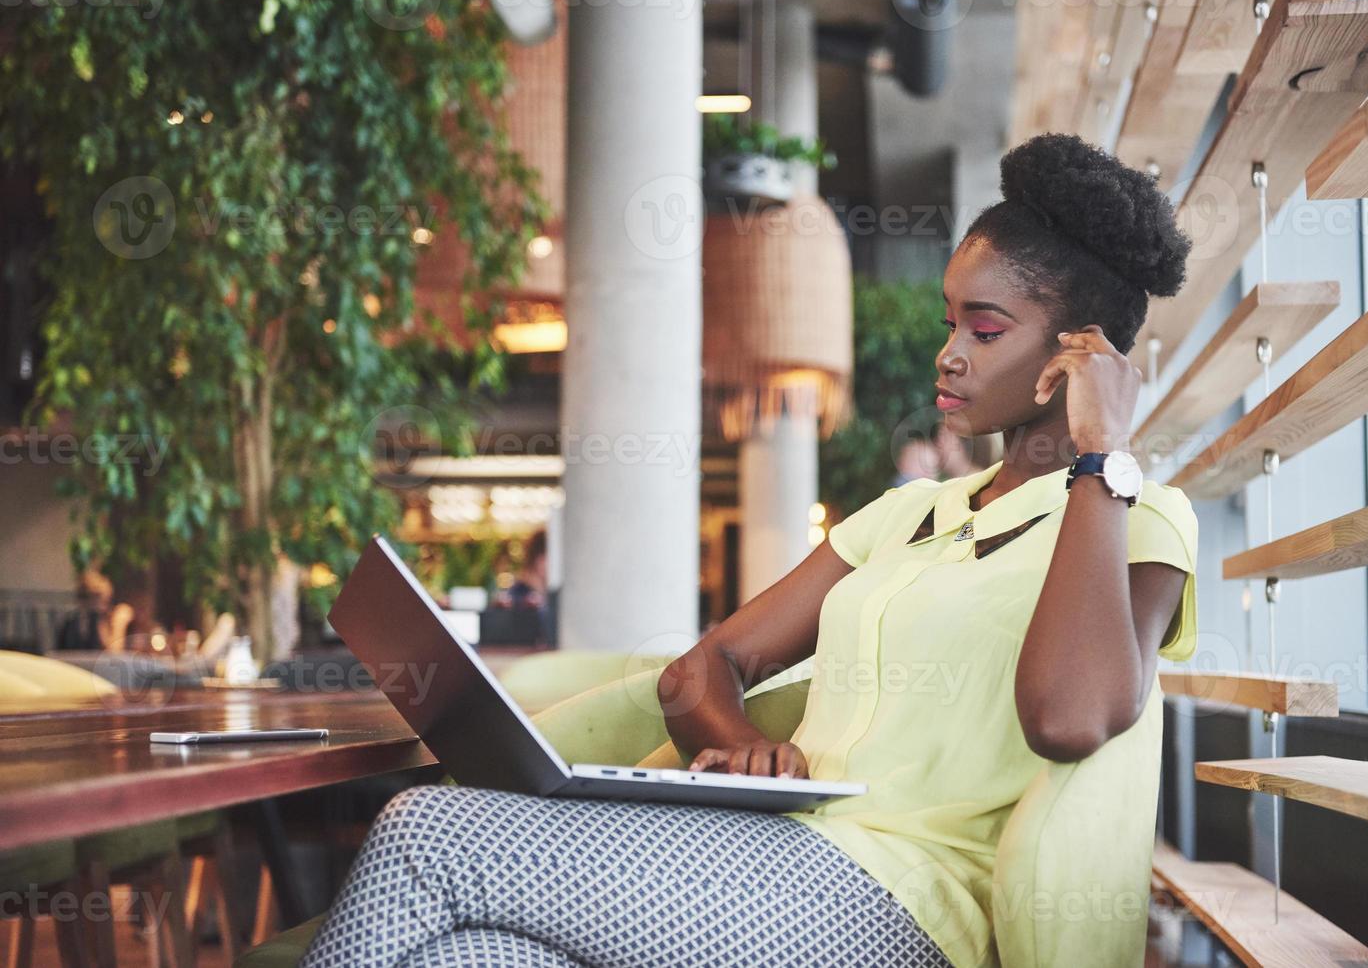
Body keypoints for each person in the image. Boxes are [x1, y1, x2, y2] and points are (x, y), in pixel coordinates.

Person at [301, 134, 1199, 968]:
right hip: (773, 848)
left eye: (985, 330)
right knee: (475, 961)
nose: (948, 356)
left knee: (427, 829)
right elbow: (701, 672)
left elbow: (1070, 718)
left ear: (1081, 354)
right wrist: (743, 752)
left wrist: (1100, 459)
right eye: (948, 322)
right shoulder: (909, 514)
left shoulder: (1135, 517)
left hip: (908, 908)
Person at [54, 569, 134, 653]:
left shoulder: (72, 619)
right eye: (104, 601)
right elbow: (113, 655)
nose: (107, 608)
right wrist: (119, 624)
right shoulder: (90, 619)